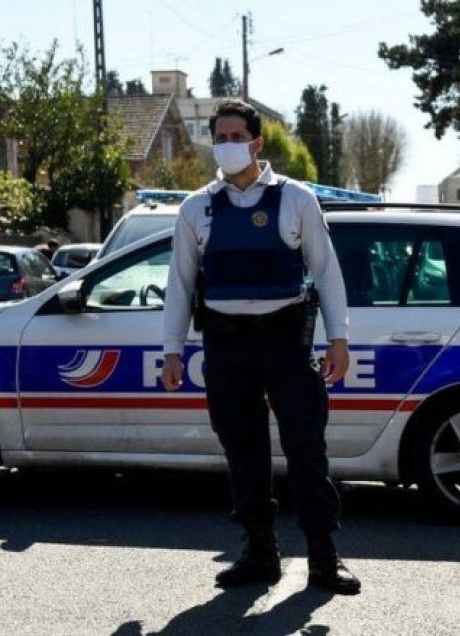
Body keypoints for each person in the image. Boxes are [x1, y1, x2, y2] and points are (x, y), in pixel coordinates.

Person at [160, 98, 360, 595]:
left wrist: (339, 338)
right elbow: (180, 285)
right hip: (226, 347)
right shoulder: (196, 207)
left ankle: (323, 556)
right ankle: (258, 551)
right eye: (219, 137)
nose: (227, 145)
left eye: (236, 136)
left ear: (257, 142)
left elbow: (327, 272)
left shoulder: (297, 199)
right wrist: (171, 350)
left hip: (286, 342)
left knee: (306, 449)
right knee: (242, 451)